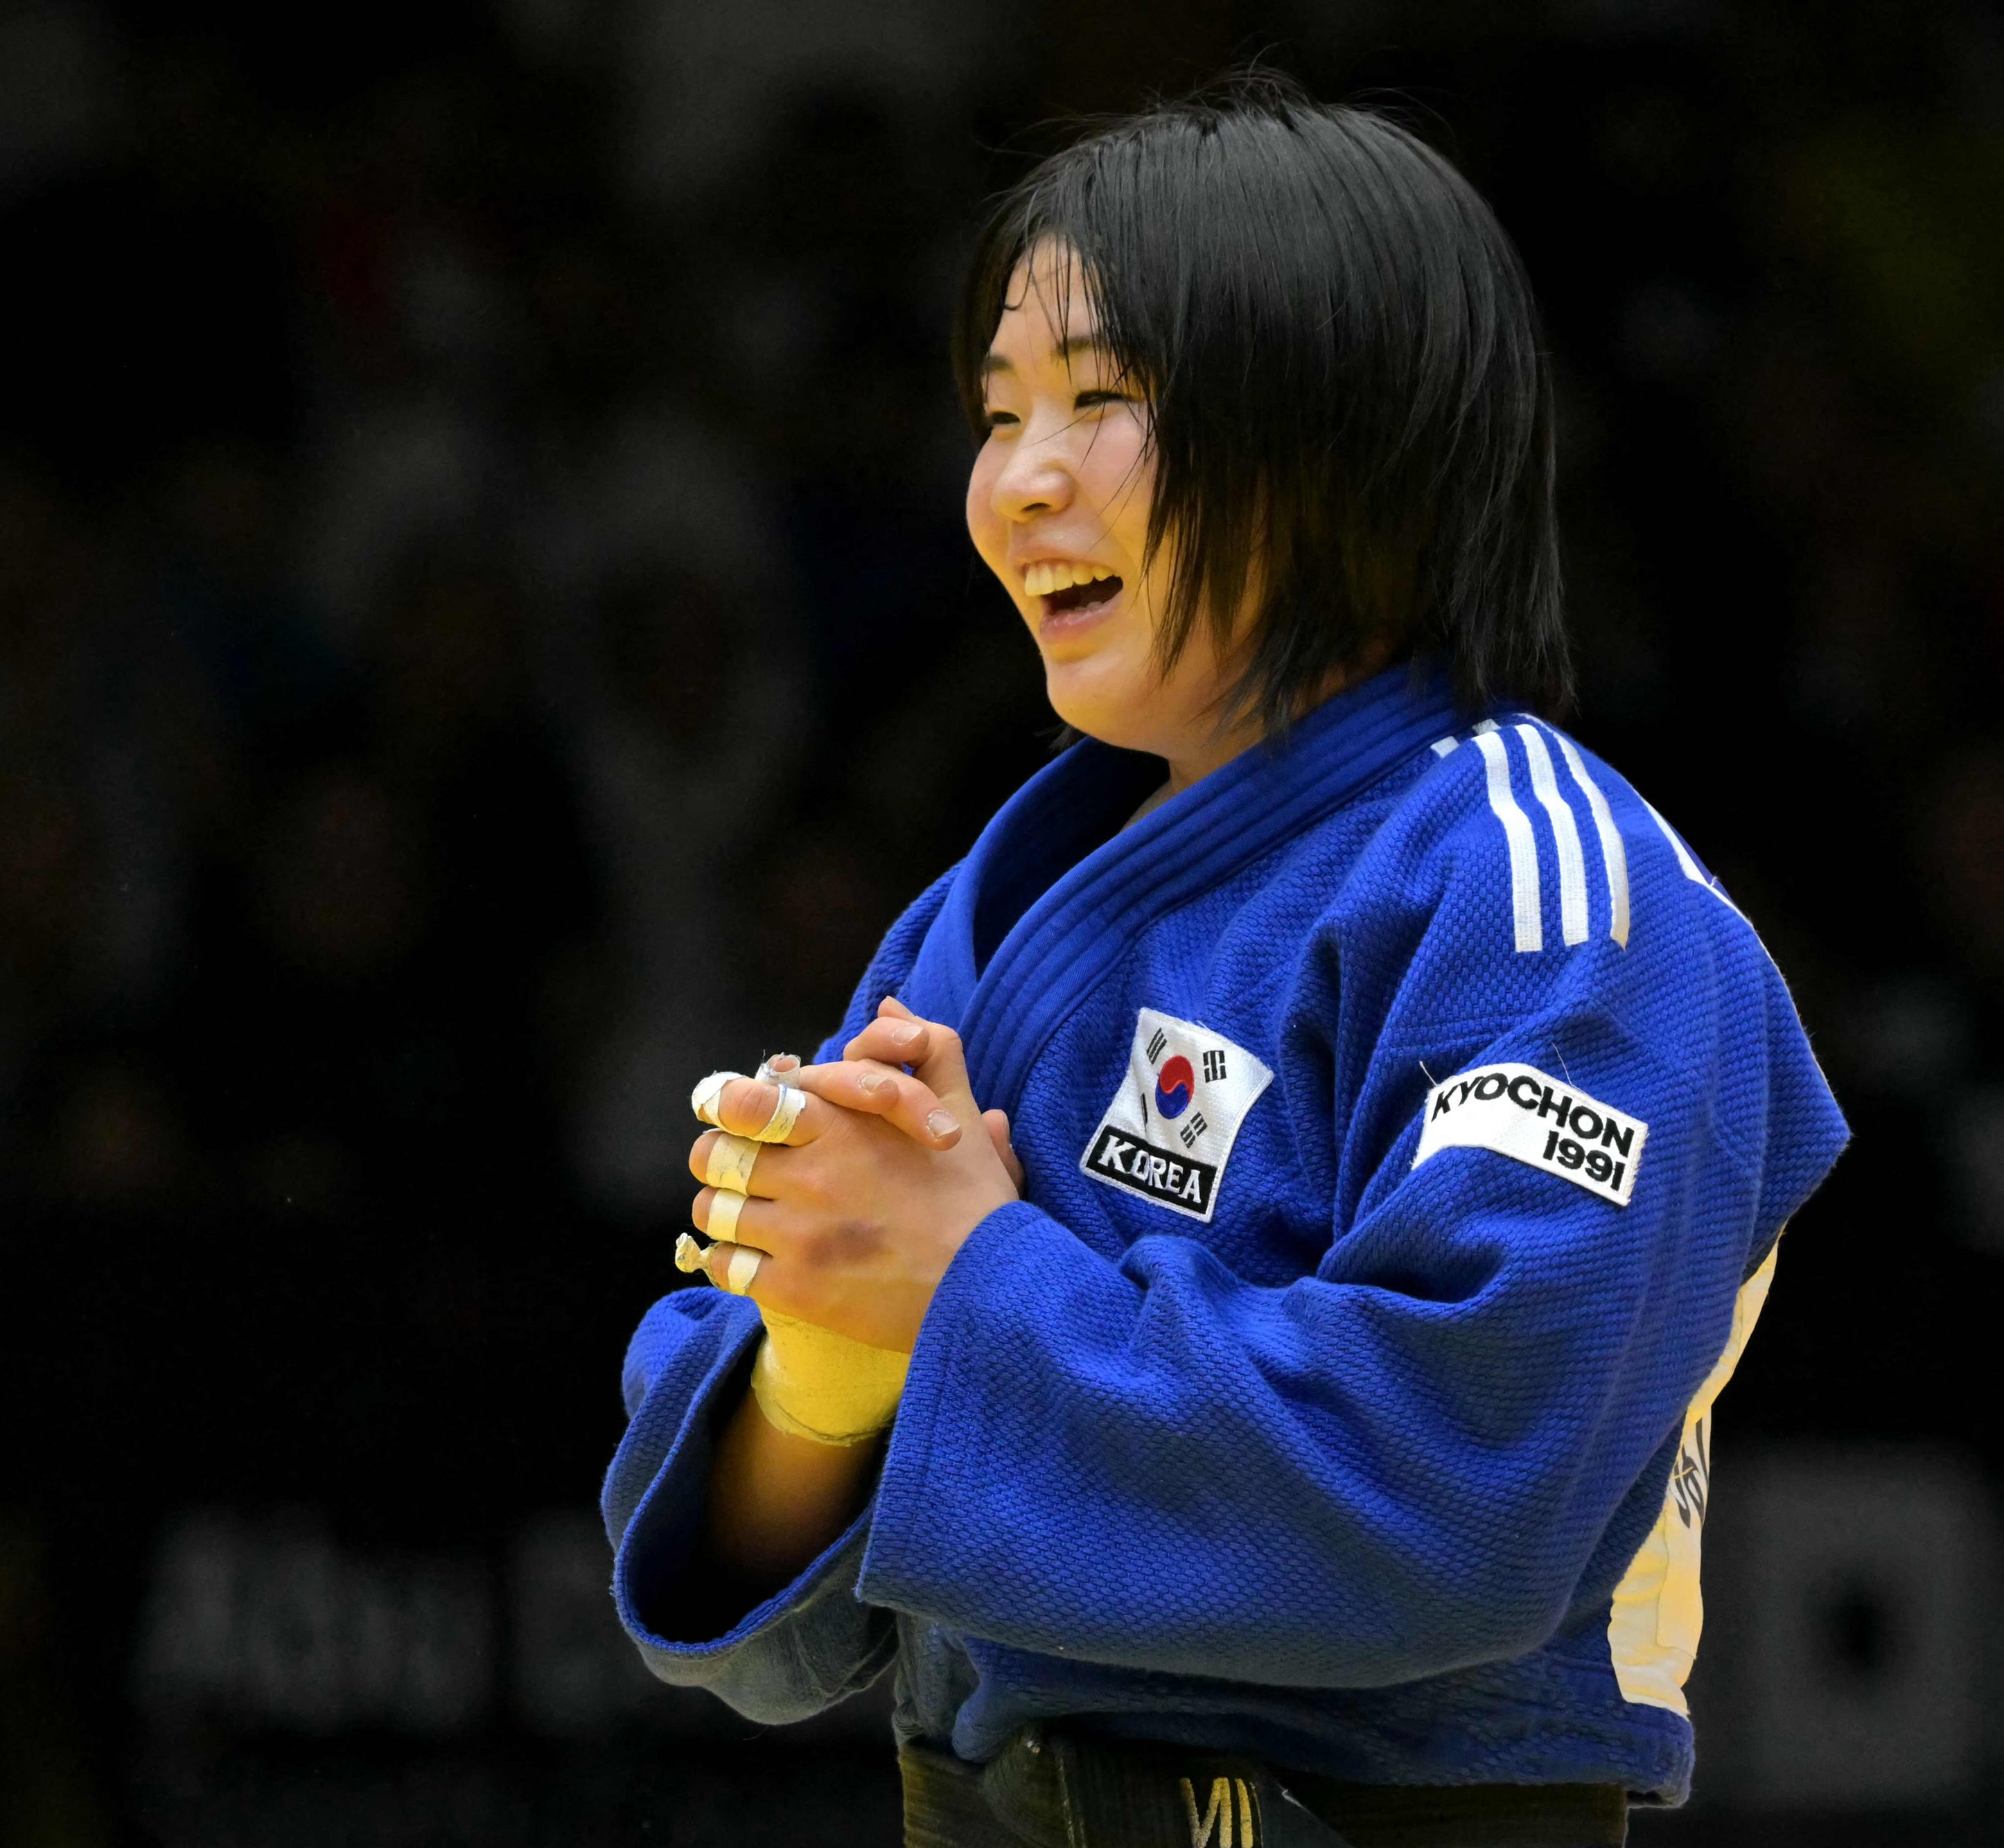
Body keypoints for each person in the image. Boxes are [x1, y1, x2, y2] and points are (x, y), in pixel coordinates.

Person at [602, 76, 1847, 1848]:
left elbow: (1449, 1489)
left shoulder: (1547, 900)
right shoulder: (1005, 897)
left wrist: (959, 1288)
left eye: (1098, 403)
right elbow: (754, 1605)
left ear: (1338, 428)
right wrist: (819, 1355)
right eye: (996, 411)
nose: (1015, 483)